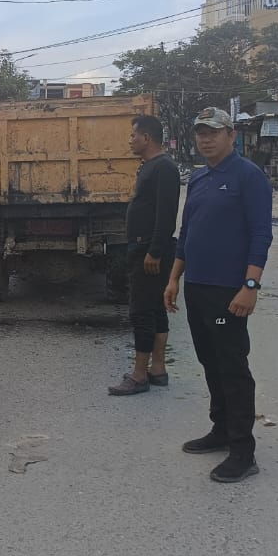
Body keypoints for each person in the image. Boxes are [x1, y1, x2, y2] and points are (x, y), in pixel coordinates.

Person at [164, 107, 273, 483]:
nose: (205, 139)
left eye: (213, 132)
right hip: (196, 286)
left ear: (232, 135)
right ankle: (221, 429)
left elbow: (262, 234)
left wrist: (251, 286)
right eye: (200, 133)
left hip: (230, 291)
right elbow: (187, 231)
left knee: (232, 366)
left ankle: (243, 451)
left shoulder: (249, 176)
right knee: (210, 361)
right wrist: (174, 278)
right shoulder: (199, 178)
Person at [109, 115, 180, 396]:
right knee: (154, 308)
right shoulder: (150, 166)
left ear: (146, 138)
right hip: (145, 248)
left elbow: (166, 216)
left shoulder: (163, 168)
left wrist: (154, 251)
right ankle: (158, 369)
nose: (130, 140)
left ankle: (139, 375)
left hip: (149, 251)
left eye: (133, 135)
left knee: (141, 311)